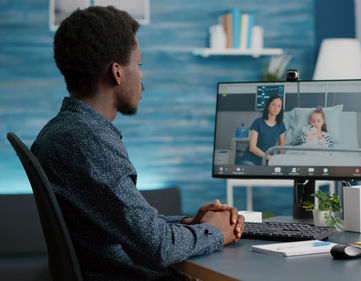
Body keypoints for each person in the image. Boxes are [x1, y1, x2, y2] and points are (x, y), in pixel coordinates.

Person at [30, 6, 244, 281]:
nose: (142, 77)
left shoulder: (60, 132)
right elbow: (159, 248)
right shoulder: (88, 141)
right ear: (117, 73)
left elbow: (125, 225)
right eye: (139, 65)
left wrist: (189, 223)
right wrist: (216, 232)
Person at [238, 94, 286, 165]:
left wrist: (280, 158)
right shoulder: (258, 122)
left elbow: (282, 144)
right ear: (268, 106)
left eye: (279, 106)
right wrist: (270, 157)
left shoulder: (281, 125)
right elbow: (252, 148)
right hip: (251, 159)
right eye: (273, 105)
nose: (276, 108)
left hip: (267, 161)